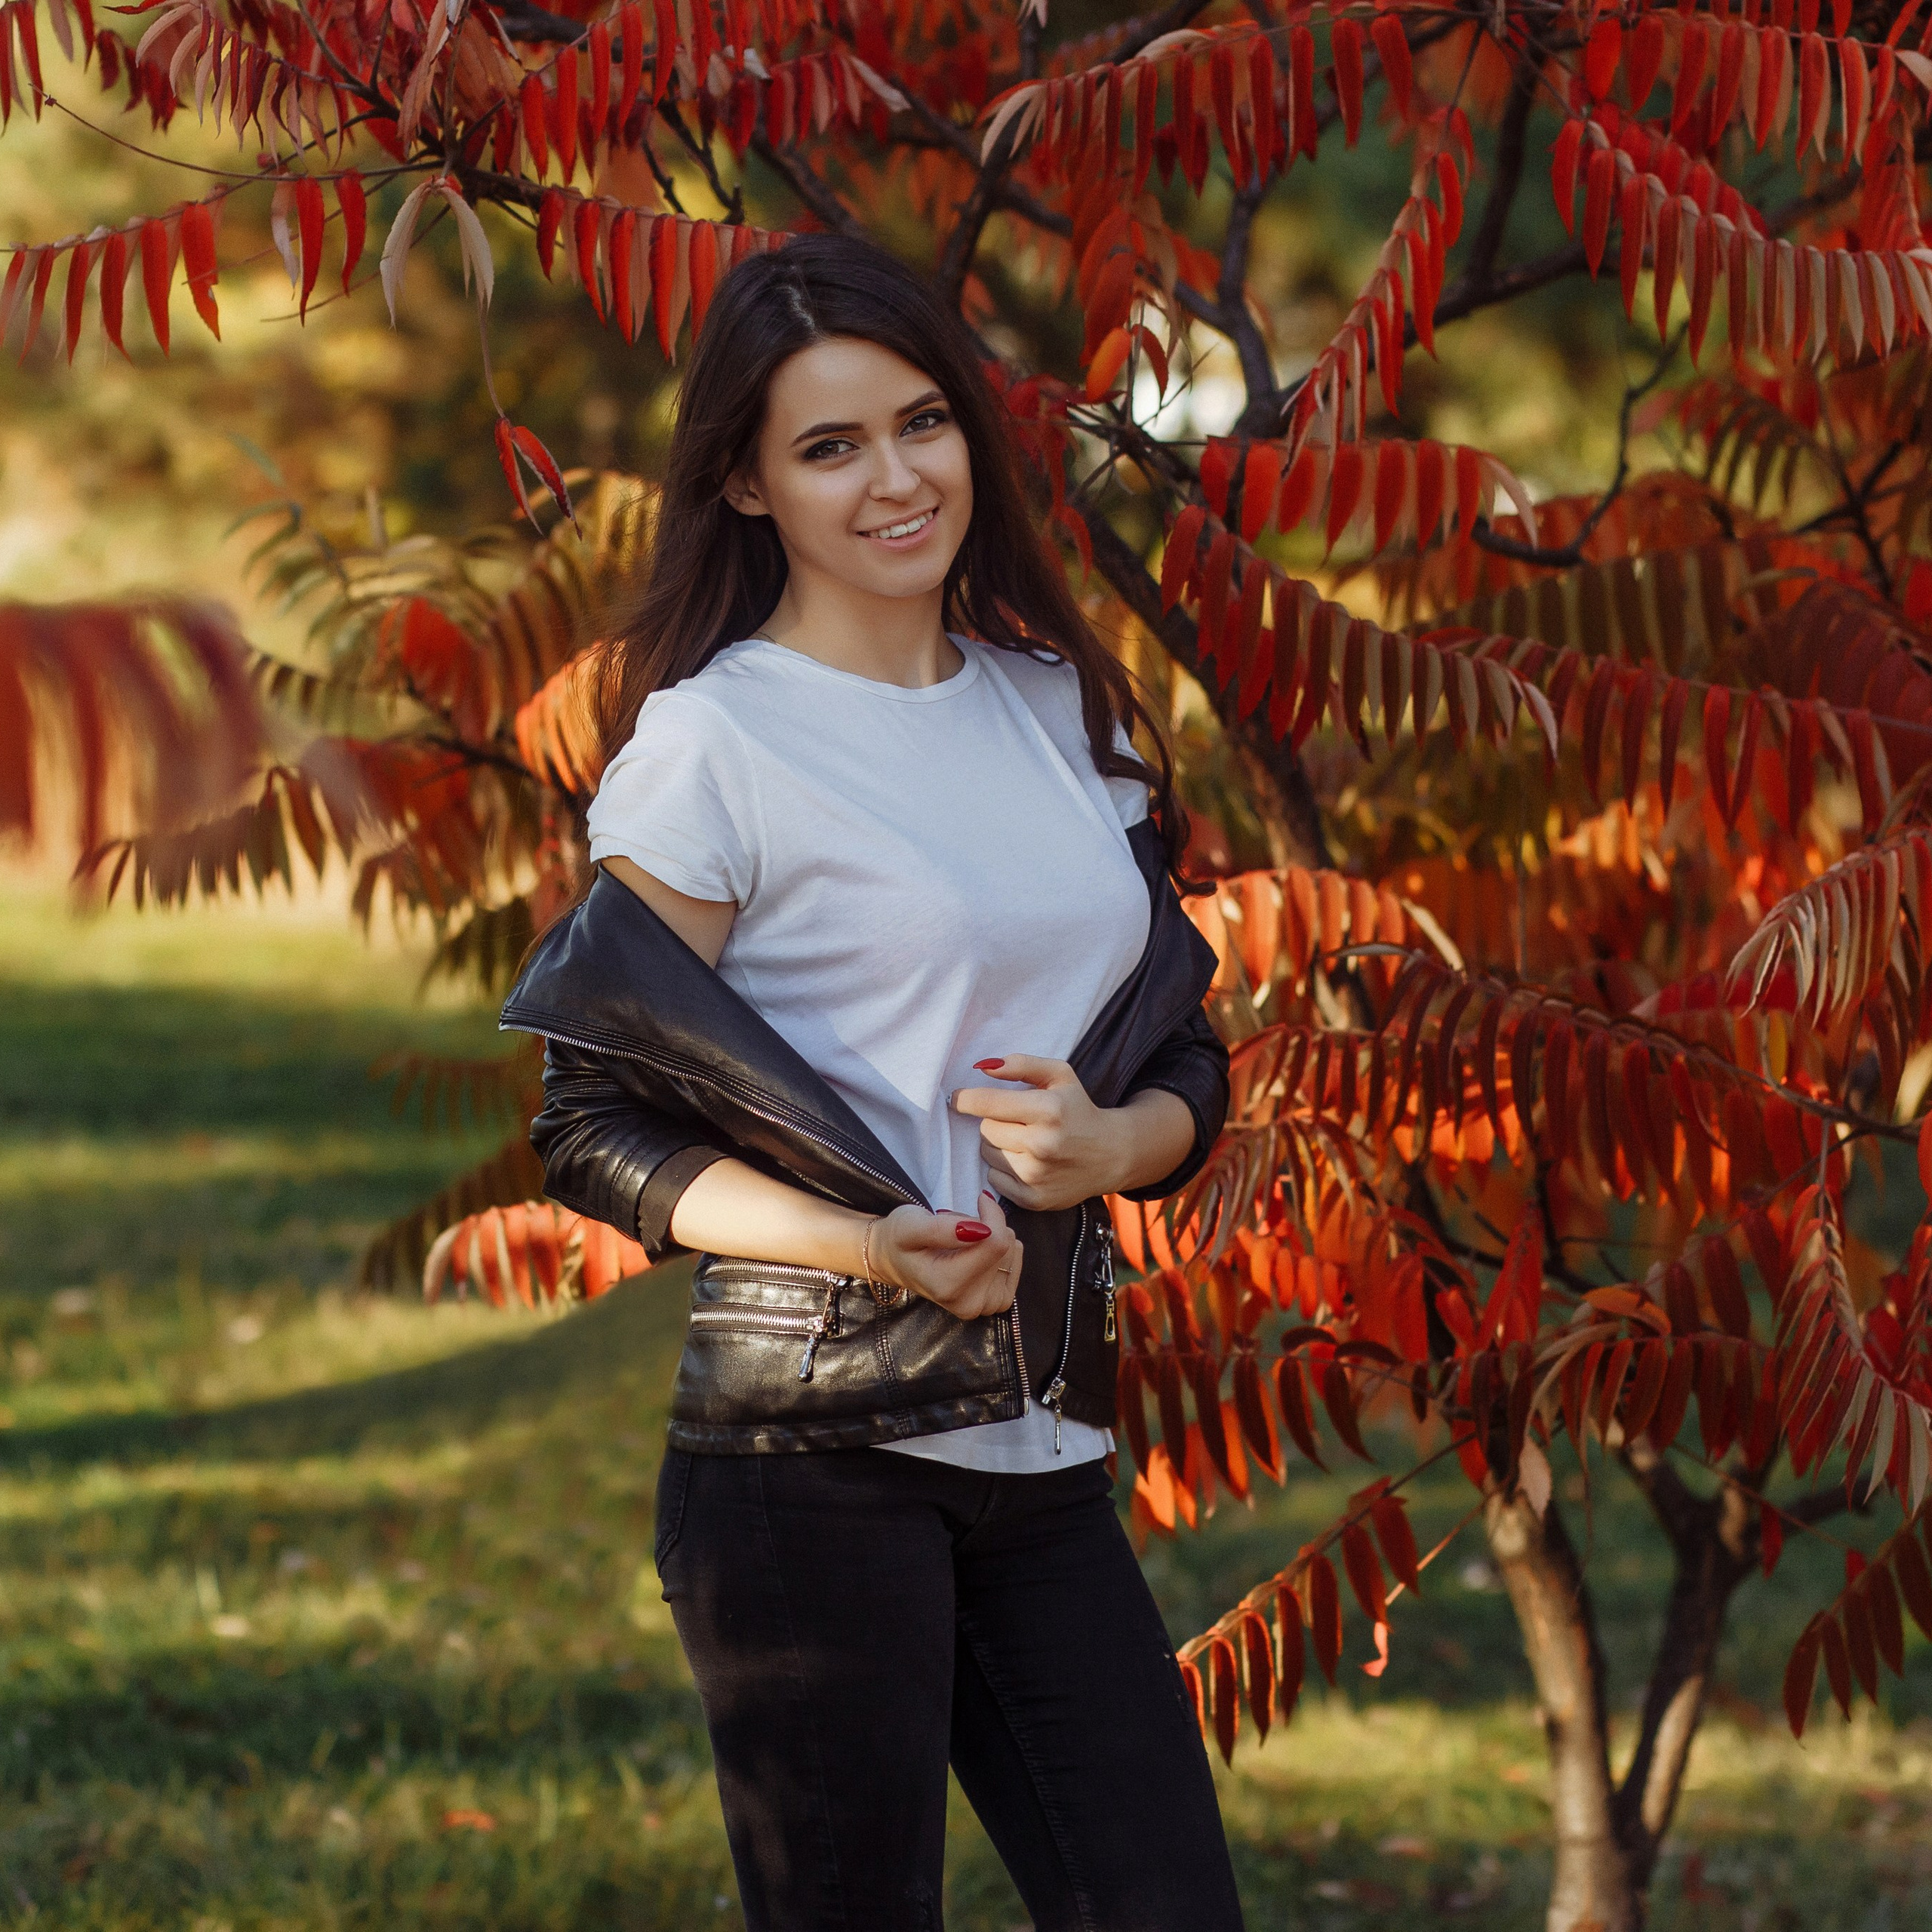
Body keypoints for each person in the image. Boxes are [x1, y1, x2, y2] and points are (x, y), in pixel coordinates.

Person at [500, 232, 1246, 1932]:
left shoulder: (1060, 709)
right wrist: (869, 1241)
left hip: (1043, 1447)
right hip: (807, 1456)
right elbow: (586, 1116)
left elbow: (1181, 1045)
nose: (893, 478)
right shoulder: (717, 744)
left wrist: (1111, 1140)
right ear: (749, 487)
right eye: (828, 447)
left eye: (920, 423)